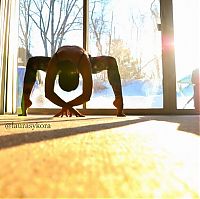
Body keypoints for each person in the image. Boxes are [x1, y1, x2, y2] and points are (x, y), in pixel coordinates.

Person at [19, 45, 125, 117]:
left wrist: (66, 106)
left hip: (81, 57)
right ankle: (25, 101)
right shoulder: (55, 63)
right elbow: (49, 93)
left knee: (111, 62)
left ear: (78, 74)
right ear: (59, 74)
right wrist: (68, 106)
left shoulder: (83, 62)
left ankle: (119, 101)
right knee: (32, 62)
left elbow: (87, 95)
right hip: (63, 57)